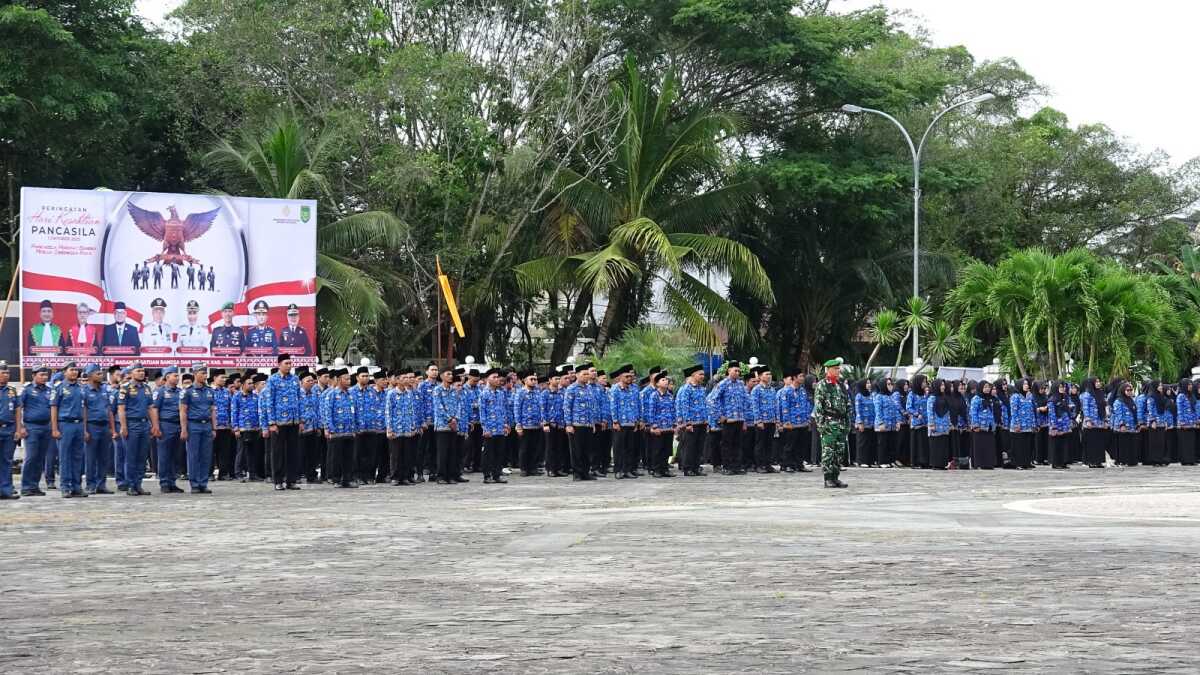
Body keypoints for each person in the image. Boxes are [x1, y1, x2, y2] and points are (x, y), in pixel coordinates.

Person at [260, 354, 303, 490]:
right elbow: (269, 402)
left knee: (293, 452)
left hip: (294, 422)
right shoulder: (272, 380)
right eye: (286, 363)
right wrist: (271, 423)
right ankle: (278, 480)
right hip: (279, 422)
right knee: (277, 452)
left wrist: (300, 420)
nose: (289, 366)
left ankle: (291, 480)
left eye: (290, 363)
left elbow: (299, 400)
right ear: (279, 364)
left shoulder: (295, 379)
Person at [179, 363, 217, 493]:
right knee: (193, 455)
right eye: (202, 373)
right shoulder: (187, 391)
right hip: (193, 424)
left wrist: (214, 428)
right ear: (195, 374)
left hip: (206, 425)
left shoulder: (210, 391)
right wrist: (184, 429)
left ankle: (203, 483)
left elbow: (212, 411)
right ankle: (194, 483)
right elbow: (183, 411)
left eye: (206, 373)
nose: (205, 376)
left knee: (206, 456)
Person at [50, 363, 86, 498]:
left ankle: (77, 486)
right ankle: (65, 486)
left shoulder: (81, 388)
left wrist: (85, 428)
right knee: (65, 457)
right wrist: (54, 428)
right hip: (65, 424)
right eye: (71, 370)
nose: (74, 372)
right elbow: (54, 408)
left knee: (78, 457)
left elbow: (84, 409)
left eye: (76, 370)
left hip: (79, 425)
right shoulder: (59, 387)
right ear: (65, 372)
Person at [813, 357, 850, 488]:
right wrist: (821, 425)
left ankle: (835, 477)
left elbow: (848, 403)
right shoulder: (822, 385)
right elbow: (818, 407)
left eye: (838, 368)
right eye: (835, 369)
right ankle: (828, 478)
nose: (838, 371)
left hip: (840, 423)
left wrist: (847, 423)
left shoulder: (840, 385)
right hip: (829, 422)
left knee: (839, 452)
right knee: (828, 452)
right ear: (828, 370)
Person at [707, 361, 749, 475]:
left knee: (737, 444)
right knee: (727, 444)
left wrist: (744, 418)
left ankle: (736, 466)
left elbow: (746, 401)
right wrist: (720, 415)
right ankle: (727, 466)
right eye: (735, 370)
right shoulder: (723, 384)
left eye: (739, 371)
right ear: (729, 371)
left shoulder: (741, 384)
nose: (737, 372)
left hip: (739, 419)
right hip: (728, 420)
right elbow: (711, 400)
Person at [118, 363, 153, 496]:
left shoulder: (147, 388)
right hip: (132, 425)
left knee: (142, 456)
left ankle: (138, 484)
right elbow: (121, 409)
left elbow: (151, 408)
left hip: (144, 425)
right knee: (131, 456)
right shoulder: (125, 388)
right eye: (138, 371)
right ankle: (131, 485)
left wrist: (154, 425)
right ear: (131, 373)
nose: (142, 373)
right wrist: (124, 426)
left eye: (143, 371)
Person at [18, 366, 53, 496]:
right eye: (41, 375)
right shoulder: (27, 390)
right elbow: (19, 408)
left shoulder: (50, 390)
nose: (44, 377)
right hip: (31, 427)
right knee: (31, 457)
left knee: (40, 458)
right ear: (34, 375)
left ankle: (35, 485)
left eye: (46, 375)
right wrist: (21, 426)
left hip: (46, 427)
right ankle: (26, 486)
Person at [321, 369, 357, 487]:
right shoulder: (331, 394)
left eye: (349, 378)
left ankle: (348, 479)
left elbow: (354, 412)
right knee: (336, 457)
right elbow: (327, 412)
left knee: (348, 457)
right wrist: (329, 428)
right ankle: (336, 479)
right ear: (338, 380)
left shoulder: (351, 394)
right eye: (346, 379)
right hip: (336, 431)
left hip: (349, 430)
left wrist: (355, 427)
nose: (348, 381)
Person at [150, 366, 184, 493]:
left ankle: (172, 481)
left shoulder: (181, 392)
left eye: (177, 375)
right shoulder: (160, 391)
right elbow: (154, 409)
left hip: (178, 425)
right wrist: (156, 426)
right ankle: (164, 482)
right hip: (165, 425)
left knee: (176, 456)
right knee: (164, 455)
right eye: (175, 375)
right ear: (167, 377)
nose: (177, 377)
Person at [675, 365, 708, 476]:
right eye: (700, 374)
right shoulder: (686, 389)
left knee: (699, 446)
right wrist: (687, 423)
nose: (703, 376)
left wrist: (706, 420)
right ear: (693, 375)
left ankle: (696, 467)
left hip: (701, 422)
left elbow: (704, 405)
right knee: (690, 447)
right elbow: (685, 406)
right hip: (691, 423)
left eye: (703, 374)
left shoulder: (701, 389)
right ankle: (688, 468)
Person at [479, 368, 510, 484]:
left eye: (498, 377)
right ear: (487, 379)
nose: (497, 380)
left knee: (499, 452)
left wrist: (506, 424)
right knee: (488, 453)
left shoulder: (501, 393)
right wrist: (485, 428)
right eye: (494, 377)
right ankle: (487, 476)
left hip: (500, 428)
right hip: (490, 429)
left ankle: (497, 475)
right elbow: (482, 412)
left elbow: (504, 410)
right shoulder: (484, 394)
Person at [232, 372, 264, 481]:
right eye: (249, 383)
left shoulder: (256, 397)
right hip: (242, 428)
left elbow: (259, 412)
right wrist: (235, 428)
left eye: (252, 383)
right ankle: (238, 473)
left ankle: (253, 474)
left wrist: (260, 426)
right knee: (241, 452)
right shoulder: (237, 397)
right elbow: (234, 413)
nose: (252, 385)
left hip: (255, 428)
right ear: (243, 385)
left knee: (253, 453)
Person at [646, 371, 675, 477]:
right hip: (658, 428)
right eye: (663, 380)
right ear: (657, 384)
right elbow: (651, 412)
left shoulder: (670, 396)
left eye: (666, 379)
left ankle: (665, 469)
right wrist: (654, 426)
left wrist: (674, 425)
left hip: (668, 427)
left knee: (667, 449)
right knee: (657, 449)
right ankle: (657, 469)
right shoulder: (654, 395)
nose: (666, 381)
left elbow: (673, 411)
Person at [751, 367, 779, 473]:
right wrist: (758, 420)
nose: (769, 376)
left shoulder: (772, 389)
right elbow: (755, 406)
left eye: (770, 374)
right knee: (760, 444)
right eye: (766, 374)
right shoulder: (756, 389)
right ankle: (759, 465)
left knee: (769, 444)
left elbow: (775, 405)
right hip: (761, 422)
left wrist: (776, 419)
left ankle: (768, 465)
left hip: (771, 421)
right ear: (760, 376)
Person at [969, 381, 1000, 469]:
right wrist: (975, 425)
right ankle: (980, 463)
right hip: (979, 426)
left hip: (989, 426)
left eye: (988, 387)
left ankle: (988, 463)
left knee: (989, 445)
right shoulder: (976, 398)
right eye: (985, 387)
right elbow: (973, 412)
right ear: (981, 388)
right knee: (980, 446)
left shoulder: (990, 398)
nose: (987, 389)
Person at [1080, 377, 1108, 468]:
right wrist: (1088, 420)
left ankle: (1098, 461)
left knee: (1099, 442)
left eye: (1099, 381)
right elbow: (1085, 408)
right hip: (1091, 422)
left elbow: (1104, 408)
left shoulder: (1100, 393)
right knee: (1092, 442)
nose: (1098, 383)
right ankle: (1091, 461)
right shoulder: (1087, 395)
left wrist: (1105, 420)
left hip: (1099, 422)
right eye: (1096, 382)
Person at [1110, 381, 1139, 466]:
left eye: (1131, 390)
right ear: (1123, 390)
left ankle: (1131, 460)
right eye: (1128, 390)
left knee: (1131, 444)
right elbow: (1119, 414)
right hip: (1122, 427)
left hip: (1132, 426)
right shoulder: (1118, 401)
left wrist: (1137, 424)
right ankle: (1122, 460)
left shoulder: (1131, 400)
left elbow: (1135, 413)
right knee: (1123, 444)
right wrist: (1121, 424)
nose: (1130, 391)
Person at [873, 377, 900, 468]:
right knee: (882, 443)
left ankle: (890, 460)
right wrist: (880, 423)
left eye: (891, 384)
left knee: (891, 442)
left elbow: (895, 409)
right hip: (883, 424)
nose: (890, 386)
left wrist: (897, 422)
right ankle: (882, 461)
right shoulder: (879, 396)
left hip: (891, 424)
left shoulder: (891, 396)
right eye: (888, 384)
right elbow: (878, 411)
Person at [926, 379, 952, 470]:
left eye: (943, 385)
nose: (943, 387)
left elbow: (948, 411)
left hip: (944, 425)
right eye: (941, 385)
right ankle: (936, 464)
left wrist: (949, 423)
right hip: (936, 424)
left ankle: (942, 463)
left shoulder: (944, 397)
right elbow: (929, 412)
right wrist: (931, 424)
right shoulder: (932, 398)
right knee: (936, 445)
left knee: (943, 445)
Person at [907, 375, 930, 469]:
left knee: (924, 443)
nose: (925, 384)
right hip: (917, 423)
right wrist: (916, 414)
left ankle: (925, 461)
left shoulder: (926, 394)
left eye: (925, 382)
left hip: (926, 422)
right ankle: (916, 462)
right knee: (917, 443)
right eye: (923, 382)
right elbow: (908, 407)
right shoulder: (911, 394)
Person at [854, 378, 876, 467]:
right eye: (867, 383)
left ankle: (870, 460)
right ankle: (862, 461)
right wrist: (860, 422)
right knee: (862, 443)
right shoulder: (859, 396)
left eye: (869, 383)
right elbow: (858, 410)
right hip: (863, 422)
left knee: (870, 442)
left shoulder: (871, 395)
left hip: (871, 422)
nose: (869, 385)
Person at [1177, 378, 1196, 465]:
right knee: (1185, 443)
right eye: (1189, 385)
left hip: (1192, 423)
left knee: (1191, 442)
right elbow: (1180, 410)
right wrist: (1182, 422)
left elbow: (1194, 409)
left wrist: (1196, 421)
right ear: (1184, 385)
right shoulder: (1181, 396)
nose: (1190, 386)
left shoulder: (1191, 396)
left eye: (1191, 384)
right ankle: (1185, 460)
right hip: (1184, 423)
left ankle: (1191, 460)